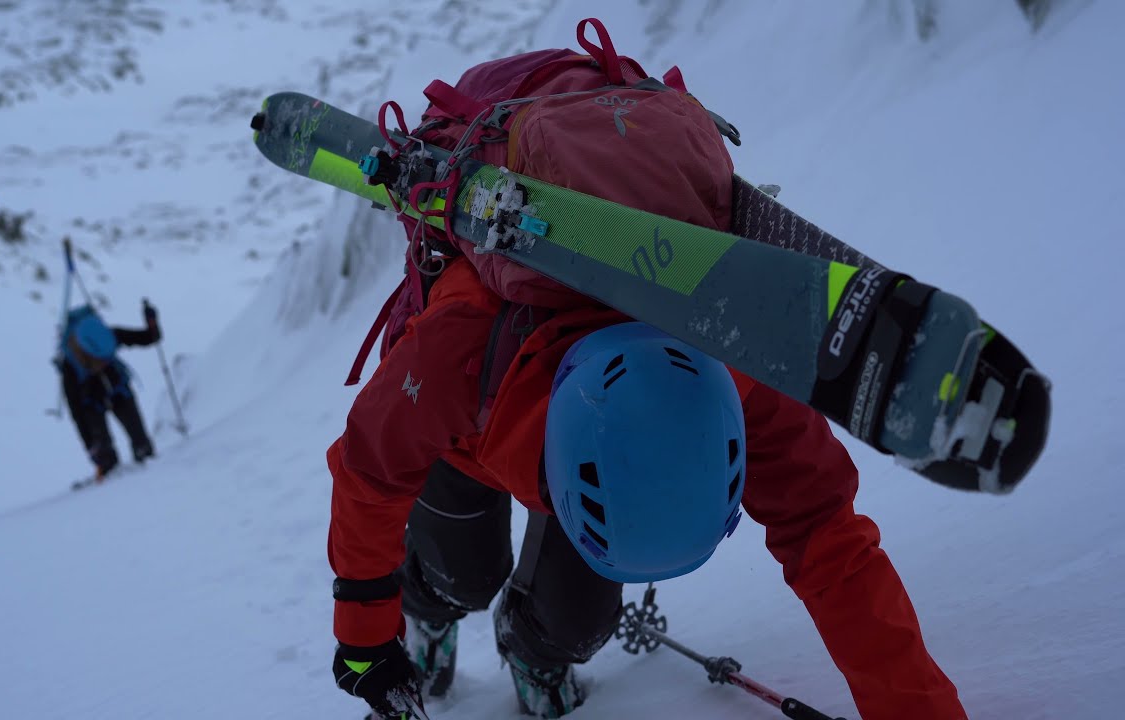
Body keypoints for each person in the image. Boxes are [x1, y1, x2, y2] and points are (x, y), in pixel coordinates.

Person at [326, 18, 967, 720]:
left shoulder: (734, 358)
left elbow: (824, 534)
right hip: (477, 422)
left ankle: (535, 652)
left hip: (582, 449)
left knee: (575, 620)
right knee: (461, 572)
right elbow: (370, 469)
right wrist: (366, 640)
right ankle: (432, 611)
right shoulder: (459, 342)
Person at [56, 301, 160, 479]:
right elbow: (150, 337)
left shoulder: (77, 356)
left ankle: (110, 472)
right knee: (134, 446)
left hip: (101, 398)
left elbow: (75, 408)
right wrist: (151, 321)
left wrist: (89, 445)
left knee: (115, 454)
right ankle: (133, 468)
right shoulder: (102, 340)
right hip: (107, 394)